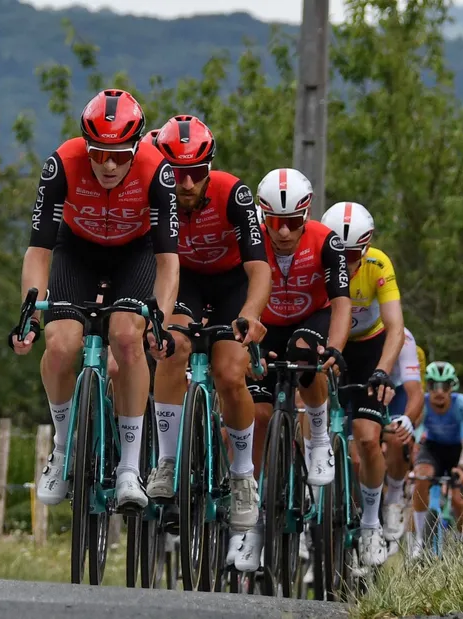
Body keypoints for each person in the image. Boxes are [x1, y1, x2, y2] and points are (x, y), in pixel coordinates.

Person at [10, 89, 180, 510]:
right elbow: (38, 252)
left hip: (133, 255)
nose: (108, 165)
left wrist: (161, 318)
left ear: (136, 146)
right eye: (99, 153)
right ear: (86, 146)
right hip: (77, 251)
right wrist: (29, 314)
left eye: (120, 155)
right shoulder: (61, 165)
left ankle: (128, 469)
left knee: (127, 337)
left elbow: (168, 261)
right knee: (62, 344)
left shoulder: (157, 171)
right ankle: (64, 448)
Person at [140, 115, 269, 535]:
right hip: (185, 281)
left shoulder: (235, 194)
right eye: (177, 173)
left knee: (230, 373)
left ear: (208, 167)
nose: (187, 183)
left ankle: (243, 474)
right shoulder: (153, 192)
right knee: (171, 347)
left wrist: (250, 313)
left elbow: (260, 270)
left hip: (232, 283)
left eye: (196, 172)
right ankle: (167, 460)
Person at [233, 167, 352, 572]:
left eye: (293, 222)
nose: (283, 232)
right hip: (267, 323)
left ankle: (318, 437)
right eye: (275, 222)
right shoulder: (250, 240)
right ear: (263, 216)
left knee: (307, 357)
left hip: (310, 318)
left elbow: (340, 303)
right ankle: (255, 526)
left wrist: (334, 348)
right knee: (261, 415)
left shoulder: (327, 242)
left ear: (308, 214)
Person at [320, 201, 409, 548]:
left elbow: (396, 328)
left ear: (367, 245)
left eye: (355, 254)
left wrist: (383, 371)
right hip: (329, 343)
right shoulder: (316, 256)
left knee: (369, 438)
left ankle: (371, 523)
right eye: (340, 256)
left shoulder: (378, 263)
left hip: (368, 348)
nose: (347, 263)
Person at [408, 363, 463, 557]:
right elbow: (416, 437)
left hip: (458, 451)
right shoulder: (423, 402)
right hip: (433, 448)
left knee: (458, 499)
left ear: (451, 387)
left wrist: (462, 468)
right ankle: (420, 540)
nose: (439, 392)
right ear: (427, 387)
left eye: (444, 386)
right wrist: (414, 466)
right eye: (433, 386)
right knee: (421, 478)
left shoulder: (462, 404)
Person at [380, 327, 424, 542]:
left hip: (395, 392)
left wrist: (408, 419)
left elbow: (415, 392)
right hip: (359, 387)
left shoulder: (404, 337)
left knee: (398, 437)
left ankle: (394, 497)